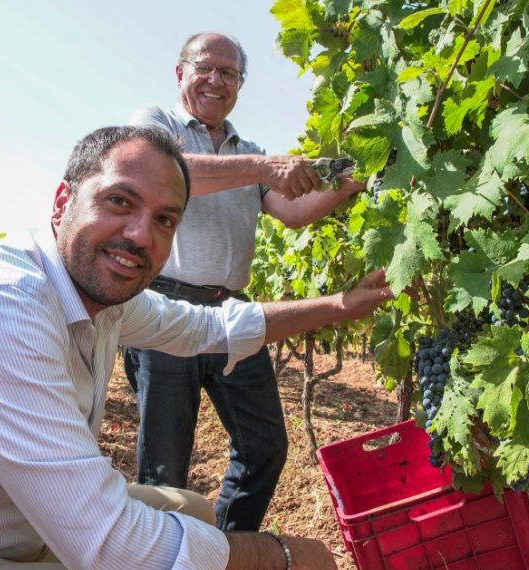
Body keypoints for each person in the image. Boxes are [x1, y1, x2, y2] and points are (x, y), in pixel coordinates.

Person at [0, 125, 392, 570]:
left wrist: (341, 306)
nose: (141, 234)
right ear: (63, 201)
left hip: (7, 525)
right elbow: (111, 544)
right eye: (119, 201)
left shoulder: (101, 294)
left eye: (165, 220)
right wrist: (279, 557)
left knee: (196, 511)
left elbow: (207, 329)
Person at [124, 32, 366, 531]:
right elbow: (168, 170)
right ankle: (159, 558)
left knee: (265, 447)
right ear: (180, 72)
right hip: (166, 309)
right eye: (205, 68)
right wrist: (262, 166)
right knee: (165, 469)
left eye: (229, 73)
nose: (216, 80)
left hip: (232, 310)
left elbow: (292, 213)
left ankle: (226, 549)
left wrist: (349, 185)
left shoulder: (247, 149)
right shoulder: (157, 125)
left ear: (239, 85)